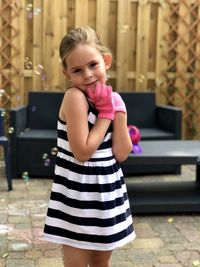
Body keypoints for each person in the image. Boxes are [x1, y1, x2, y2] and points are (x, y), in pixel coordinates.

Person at [43, 26, 136, 267]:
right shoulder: (75, 97)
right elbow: (83, 152)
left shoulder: (112, 99)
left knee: (101, 263)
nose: (88, 75)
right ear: (67, 73)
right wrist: (106, 115)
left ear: (106, 61)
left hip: (106, 196)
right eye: (77, 70)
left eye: (93, 65)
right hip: (78, 199)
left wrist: (119, 112)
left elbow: (122, 153)